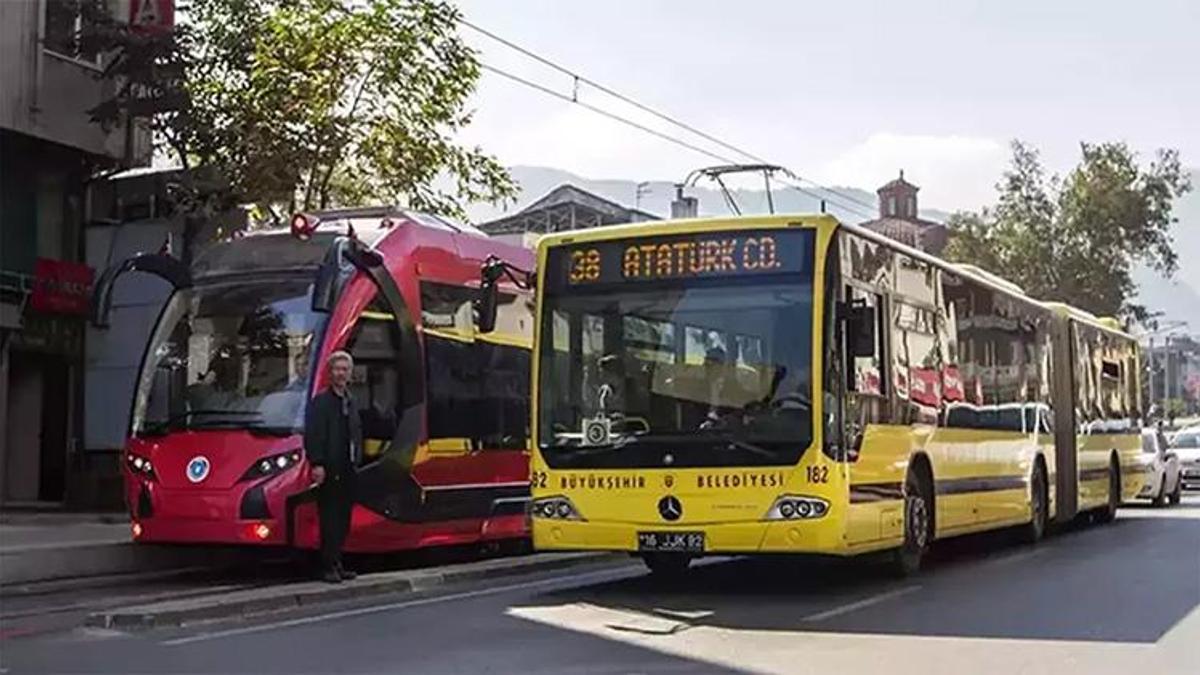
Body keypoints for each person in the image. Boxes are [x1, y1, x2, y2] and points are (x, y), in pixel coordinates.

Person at [304, 350, 363, 583]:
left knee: (343, 518)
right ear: (330, 372)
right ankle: (328, 565)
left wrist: (357, 458)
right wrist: (317, 463)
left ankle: (338, 562)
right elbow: (314, 435)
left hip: (348, 467)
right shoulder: (321, 402)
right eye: (337, 369)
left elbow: (356, 431)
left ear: (350, 373)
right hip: (330, 466)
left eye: (345, 369)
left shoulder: (351, 400)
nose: (341, 374)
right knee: (329, 518)